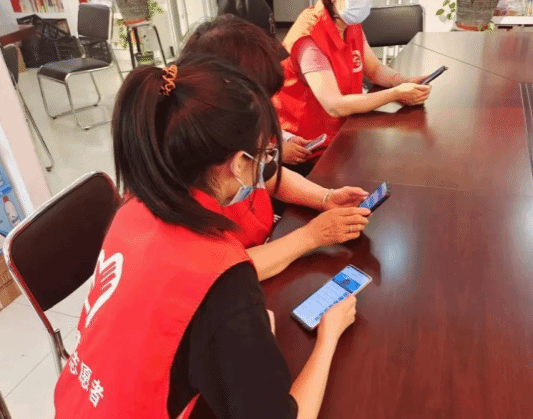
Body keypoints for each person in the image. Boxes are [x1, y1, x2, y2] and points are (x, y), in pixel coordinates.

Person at [46, 56, 359, 419]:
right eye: (264, 156)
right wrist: (327, 337)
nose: (268, 167)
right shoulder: (219, 275)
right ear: (238, 164)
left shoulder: (135, 208)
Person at [181, 15, 372, 281]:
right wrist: (311, 236)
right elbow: (222, 271)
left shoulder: (233, 135)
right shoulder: (185, 171)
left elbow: (269, 174)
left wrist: (325, 198)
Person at [274, 0, 432, 176]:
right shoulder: (309, 37)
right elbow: (334, 105)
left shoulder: (350, 23)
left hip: (344, 131)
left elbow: (374, 69)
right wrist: (396, 94)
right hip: (306, 148)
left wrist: (402, 81)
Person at [215, 2, 313, 167]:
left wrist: (284, 139)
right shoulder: (210, 96)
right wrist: (274, 153)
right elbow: (228, 159)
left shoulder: (247, 82)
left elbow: (257, 127)